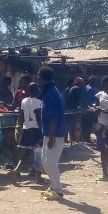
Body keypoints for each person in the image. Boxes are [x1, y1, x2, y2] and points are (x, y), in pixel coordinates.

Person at [38, 66, 68, 200]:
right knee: (45, 161)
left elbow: (54, 117)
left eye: (38, 76)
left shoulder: (51, 92)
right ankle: (53, 185)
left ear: (42, 77)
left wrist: (51, 137)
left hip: (55, 133)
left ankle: (58, 191)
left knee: (51, 163)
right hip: (48, 132)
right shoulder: (48, 90)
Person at [10, 82, 42, 179]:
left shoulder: (23, 101)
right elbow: (38, 117)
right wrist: (42, 131)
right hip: (36, 129)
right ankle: (38, 177)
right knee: (39, 152)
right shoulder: (38, 102)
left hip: (26, 128)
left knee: (27, 152)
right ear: (37, 91)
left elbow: (21, 116)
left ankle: (17, 170)